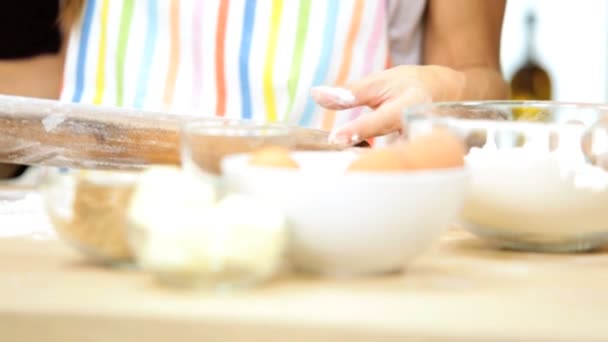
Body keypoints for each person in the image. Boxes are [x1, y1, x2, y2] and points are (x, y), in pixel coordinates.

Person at [0, 0, 508, 177]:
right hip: (99, 225)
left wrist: (446, 87)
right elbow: (78, 70)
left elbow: (483, 81)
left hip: (328, 234)